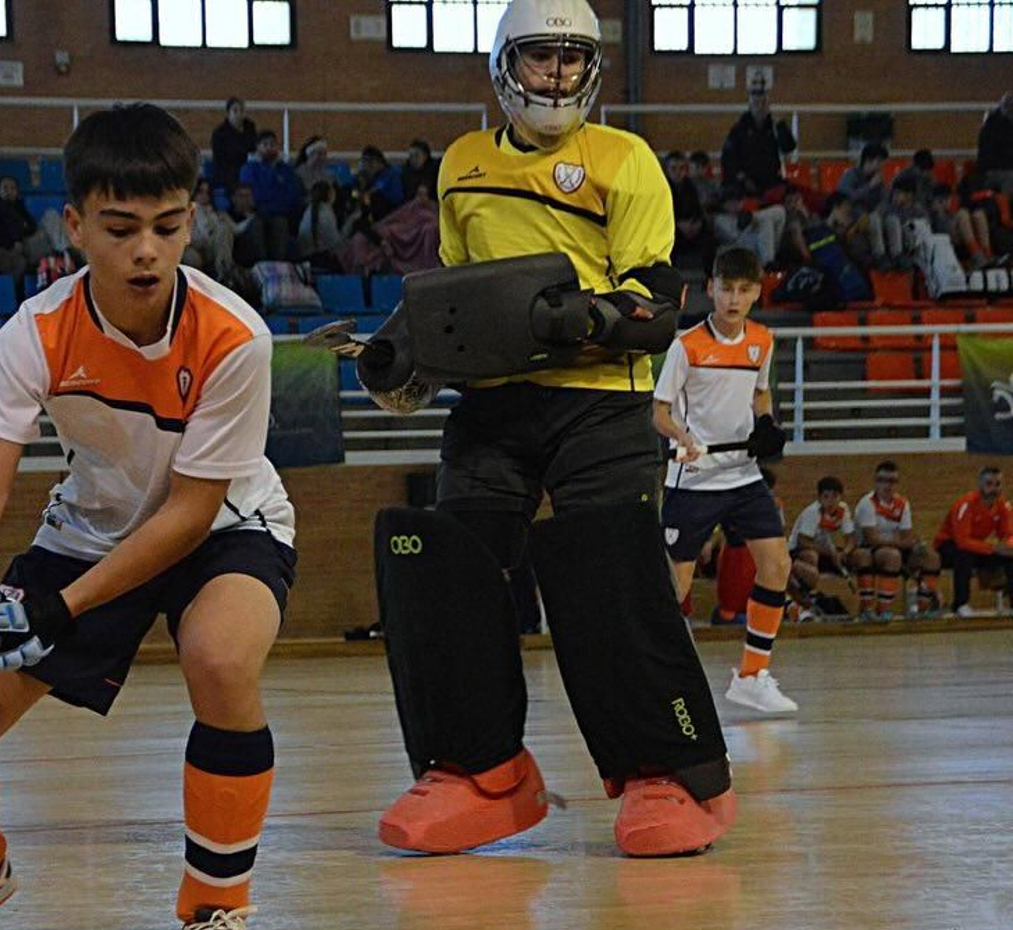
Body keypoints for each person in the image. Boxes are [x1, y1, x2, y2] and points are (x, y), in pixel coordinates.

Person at [0, 103, 298, 930]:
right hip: (86, 532)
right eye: (119, 229)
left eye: (168, 226)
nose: (147, 250)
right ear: (74, 227)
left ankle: (215, 910)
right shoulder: (32, 336)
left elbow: (189, 516)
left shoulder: (235, 338)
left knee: (222, 659)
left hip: (226, 526)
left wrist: (59, 610)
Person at [347, 0, 737, 858]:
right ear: (503, 67)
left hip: (601, 401)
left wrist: (575, 319)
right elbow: (453, 294)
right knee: (446, 568)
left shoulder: (625, 161)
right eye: (538, 59)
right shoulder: (462, 165)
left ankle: (669, 774)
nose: (556, 75)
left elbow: (656, 304)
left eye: (570, 58)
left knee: (609, 580)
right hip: (491, 405)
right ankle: (481, 770)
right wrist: (400, 352)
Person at [653, 246, 796, 714]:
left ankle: (752, 676)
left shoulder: (762, 340)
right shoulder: (686, 345)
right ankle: (669, 689)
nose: (734, 299)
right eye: (726, 289)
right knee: (675, 590)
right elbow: (658, 412)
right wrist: (683, 435)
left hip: (742, 475)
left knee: (777, 566)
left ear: (757, 292)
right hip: (692, 478)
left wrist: (767, 423)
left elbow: (760, 393)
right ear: (710, 288)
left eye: (744, 290)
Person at [852, 461, 942, 620]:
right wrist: (901, 542)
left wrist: (908, 543)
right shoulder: (867, 503)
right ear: (876, 482)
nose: (888, 485)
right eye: (883, 480)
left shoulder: (902, 503)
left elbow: (908, 537)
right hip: (869, 551)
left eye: (892, 481)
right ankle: (882, 611)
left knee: (932, 557)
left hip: (893, 549)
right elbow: (871, 539)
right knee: (892, 556)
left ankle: (924, 610)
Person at [932, 466, 1013, 617]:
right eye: (989, 484)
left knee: (1009, 558)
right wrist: (994, 548)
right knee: (963, 556)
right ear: (980, 484)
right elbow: (962, 541)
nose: (994, 489)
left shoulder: (1003, 506)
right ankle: (960, 604)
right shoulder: (965, 504)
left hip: (976, 546)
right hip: (948, 546)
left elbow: (1008, 534)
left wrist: (1008, 547)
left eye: (998, 484)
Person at [789, 475, 856, 615]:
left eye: (835, 496)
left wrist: (844, 552)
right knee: (811, 556)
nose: (830, 501)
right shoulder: (812, 512)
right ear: (819, 498)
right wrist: (830, 553)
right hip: (798, 551)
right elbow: (803, 541)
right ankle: (805, 599)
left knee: (856, 558)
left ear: (841, 497)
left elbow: (850, 539)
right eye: (826, 497)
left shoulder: (843, 511)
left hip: (824, 552)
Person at [721, 83, 796, 198]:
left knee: (793, 192)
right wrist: (743, 178)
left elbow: (789, 147)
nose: (760, 107)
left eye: (764, 103)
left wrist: (781, 127)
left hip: (771, 182)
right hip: (745, 184)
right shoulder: (739, 129)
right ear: (750, 106)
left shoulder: (775, 126)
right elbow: (727, 159)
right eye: (756, 103)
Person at [237, 130, 300, 262]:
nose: (269, 148)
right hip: (256, 213)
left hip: (280, 213)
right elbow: (250, 194)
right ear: (258, 147)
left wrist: (275, 206)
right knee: (256, 226)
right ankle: (261, 265)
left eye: (272, 144)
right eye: (265, 144)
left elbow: (291, 194)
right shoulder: (248, 169)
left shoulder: (286, 170)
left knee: (280, 225)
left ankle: (277, 266)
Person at [664, 150, 716, 272]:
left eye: (682, 168)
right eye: (674, 169)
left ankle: (709, 277)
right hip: (672, 231)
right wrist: (678, 225)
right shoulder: (662, 188)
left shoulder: (690, 186)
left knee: (709, 239)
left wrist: (697, 223)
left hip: (691, 229)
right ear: (667, 170)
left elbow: (697, 209)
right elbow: (659, 215)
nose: (678, 172)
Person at [211, 97, 257, 195]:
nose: (239, 114)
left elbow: (254, 149)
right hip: (227, 170)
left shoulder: (250, 128)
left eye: (241, 111)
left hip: (247, 168)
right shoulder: (219, 133)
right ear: (228, 113)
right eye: (235, 111)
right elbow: (220, 159)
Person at [976, 93, 1013, 194]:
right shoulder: (993, 127)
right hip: (993, 170)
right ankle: (1007, 206)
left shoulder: (991, 124)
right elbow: (990, 155)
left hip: (1001, 168)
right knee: (1011, 178)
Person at [400, 139, 440, 204]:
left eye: (416, 156)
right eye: (411, 156)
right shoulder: (406, 172)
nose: (413, 160)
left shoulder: (435, 169)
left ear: (425, 156)